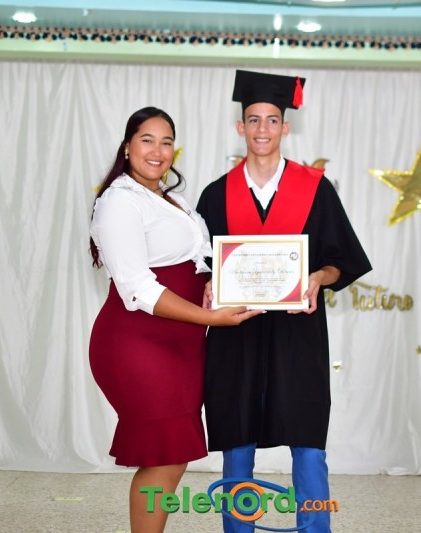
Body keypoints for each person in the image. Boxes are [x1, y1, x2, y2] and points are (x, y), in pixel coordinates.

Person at [196, 71, 372, 533]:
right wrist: (209, 284)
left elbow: (341, 261)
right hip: (237, 335)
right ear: (240, 127)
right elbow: (201, 267)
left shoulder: (316, 189)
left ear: (285, 128)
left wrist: (316, 278)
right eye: (253, 120)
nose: (262, 129)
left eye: (272, 120)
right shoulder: (215, 195)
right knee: (238, 445)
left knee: (308, 443)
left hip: (298, 335)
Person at [88, 106, 262, 533]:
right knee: (163, 457)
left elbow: (196, 262)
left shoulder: (173, 199)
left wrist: (212, 284)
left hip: (181, 346)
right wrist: (211, 317)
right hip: (139, 344)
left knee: (172, 456)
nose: (158, 150)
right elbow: (137, 288)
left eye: (166, 142)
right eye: (147, 140)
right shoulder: (119, 201)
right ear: (127, 147)